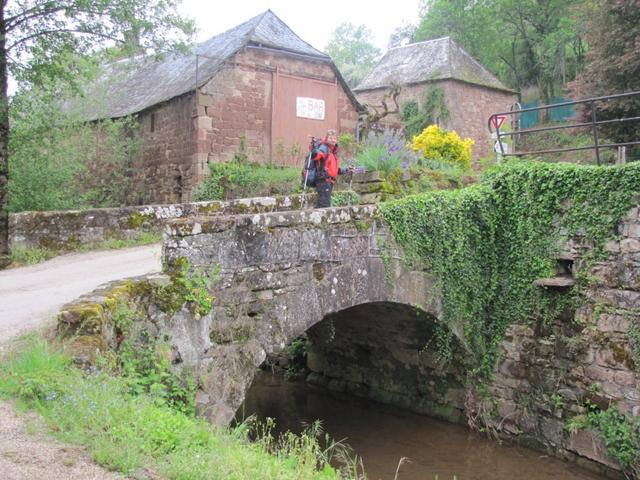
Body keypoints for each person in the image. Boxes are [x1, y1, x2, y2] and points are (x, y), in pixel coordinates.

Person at [309, 129, 354, 208]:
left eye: (334, 138)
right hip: (323, 181)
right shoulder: (324, 148)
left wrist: (347, 170)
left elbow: (334, 170)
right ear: (327, 139)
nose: (333, 140)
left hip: (329, 182)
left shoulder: (332, 151)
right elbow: (316, 156)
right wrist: (314, 148)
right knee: (323, 205)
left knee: (324, 204)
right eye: (330, 138)